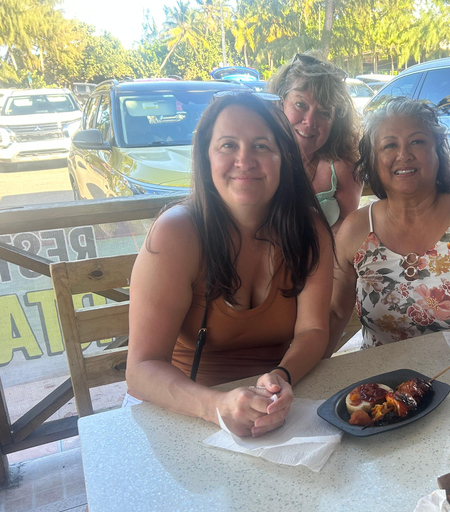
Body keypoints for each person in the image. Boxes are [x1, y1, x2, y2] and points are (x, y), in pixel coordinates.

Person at [125, 92, 334, 438]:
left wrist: (281, 376)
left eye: (262, 146)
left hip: (279, 409)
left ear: (283, 158)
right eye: (227, 146)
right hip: (183, 411)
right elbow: (141, 370)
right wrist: (218, 407)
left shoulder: (309, 230)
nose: (245, 160)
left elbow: (312, 330)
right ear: (206, 158)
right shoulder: (176, 233)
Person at [327, 98, 450, 355]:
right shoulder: (356, 228)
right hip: (384, 387)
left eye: (417, 141)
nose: (404, 155)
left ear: (438, 151)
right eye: (389, 145)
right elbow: (334, 314)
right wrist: (293, 376)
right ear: (372, 161)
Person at [267, 53, 362, 233]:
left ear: (335, 122)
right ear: (281, 103)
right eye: (300, 105)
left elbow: (346, 233)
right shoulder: (258, 158)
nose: (310, 122)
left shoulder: (342, 169)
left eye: (324, 113)